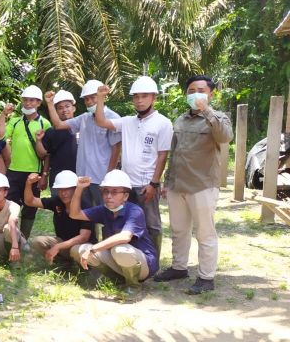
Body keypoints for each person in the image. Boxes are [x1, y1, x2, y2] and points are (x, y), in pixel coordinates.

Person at [154, 75, 233, 294]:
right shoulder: (180, 120)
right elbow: (175, 153)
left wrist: (206, 111)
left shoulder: (219, 118)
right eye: (190, 90)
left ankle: (206, 277)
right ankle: (179, 267)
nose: (195, 94)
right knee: (179, 230)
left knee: (205, 233)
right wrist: (166, 181)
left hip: (203, 185)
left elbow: (225, 137)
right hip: (177, 185)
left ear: (211, 94)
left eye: (200, 90)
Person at [92, 78, 173, 259]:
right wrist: (100, 98)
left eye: (144, 96)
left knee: (151, 225)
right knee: (121, 223)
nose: (139, 100)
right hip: (126, 186)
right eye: (136, 97)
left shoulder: (163, 122)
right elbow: (101, 121)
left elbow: (162, 155)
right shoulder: (127, 122)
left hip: (146, 185)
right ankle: (122, 260)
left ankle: (152, 261)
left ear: (154, 98)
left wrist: (154, 183)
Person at [69, 170, 158, 291]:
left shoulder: (135, 211)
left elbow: (124, 237)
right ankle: (117, 279)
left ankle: (133, 286)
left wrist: (93, 249)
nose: (108, 196)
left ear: (126, 196)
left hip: (143, 265)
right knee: (78, 249)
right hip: (117, 258)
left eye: (115, 192)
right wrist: (79, 188)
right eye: (106, 191)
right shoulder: (104, 210)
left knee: (120, 249)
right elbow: (74, 214)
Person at [44, 80, 122, 208]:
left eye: (92, 97)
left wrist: (109, 176)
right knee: (87, 216)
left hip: (101, 178)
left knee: (107, 214)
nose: (89, 102)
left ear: (102, 97)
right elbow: (58, 125)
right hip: (83, 178)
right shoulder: (84, 118)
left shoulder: (113, 118)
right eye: (86, 99)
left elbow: (116, 149)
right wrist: (50, 103)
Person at [6, 85, 51, 239]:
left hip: (34, 172)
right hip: (13, 170)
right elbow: (1, 136)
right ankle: (11, 237)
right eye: (25, 100)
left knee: (30, 207)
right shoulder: (14, 121)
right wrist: (3, 116)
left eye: (32, 100)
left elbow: (47, 154)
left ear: (38, 103)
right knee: (11, 205)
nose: (28, 103)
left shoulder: (45, 124)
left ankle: (23, 239)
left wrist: (44, 175)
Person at [25, 170, 95, 268]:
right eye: (60, 189)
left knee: (76, 250)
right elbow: (30, 201)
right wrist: (28, 183)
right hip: (64, 243)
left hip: (82, 245)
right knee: (37, 242)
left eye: (67, 189)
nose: (63, 193)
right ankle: (62, 263)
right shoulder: (57, 201)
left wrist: (58, 247)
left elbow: (84, 237)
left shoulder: (85, 206)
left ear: (75, 189)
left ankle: (86, 269)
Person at [36, 90, 78, 188]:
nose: (64, 110)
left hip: (80, 177)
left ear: (74, 108)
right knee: (57, 203)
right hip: (58, 178)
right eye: (60, 108)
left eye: (67, 106)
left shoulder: (83, 127)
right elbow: (45, 155)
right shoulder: (51, 132)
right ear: (55, 111)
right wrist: (44, 175)